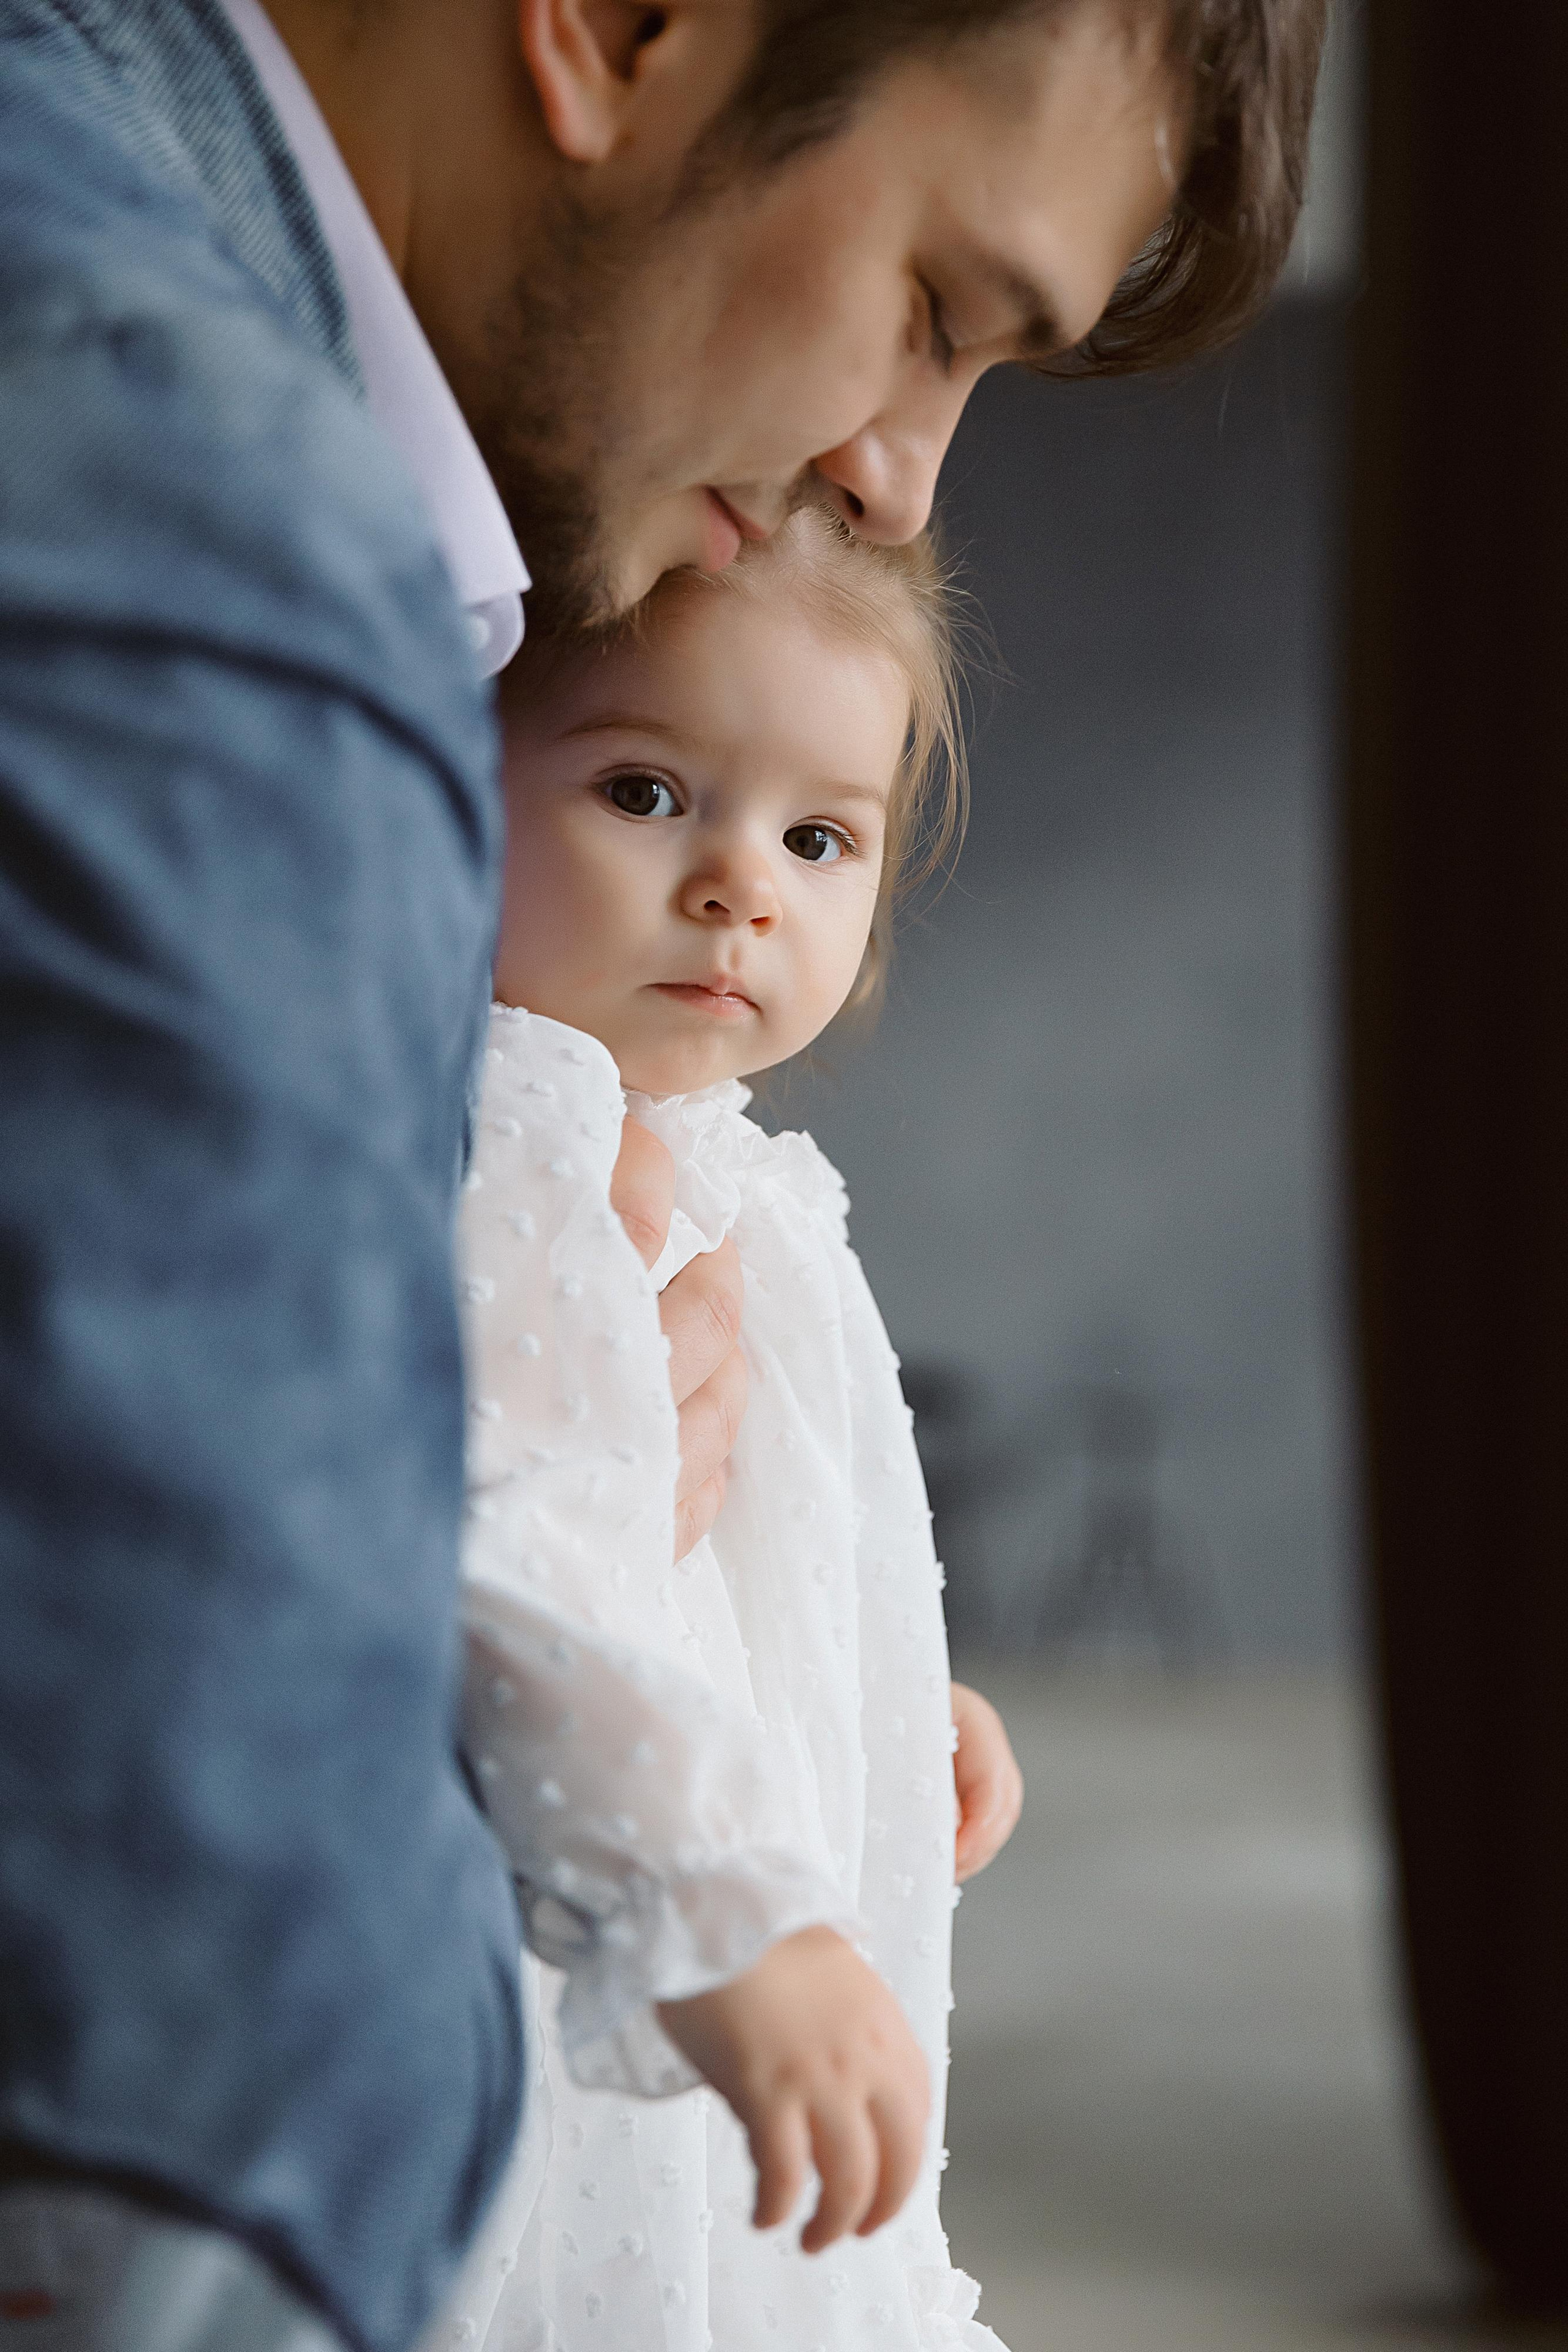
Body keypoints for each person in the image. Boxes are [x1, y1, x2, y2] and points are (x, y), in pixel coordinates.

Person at [0, 2, 1325, 2349]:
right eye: (937, 304)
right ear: (620, 32)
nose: (902, 482)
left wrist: (828, 1683)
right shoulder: (201, 535)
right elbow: (196, 2090)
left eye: (823, 836)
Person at [444, 509, 1014, 2351]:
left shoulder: (733, 1178)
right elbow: (499, 1559)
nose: (741, 885)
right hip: (600, 1937)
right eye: (644, 792)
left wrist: (867, 1691)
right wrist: (716, 1906)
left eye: (819, 835)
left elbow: (728, 1547)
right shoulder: (508, 1154)